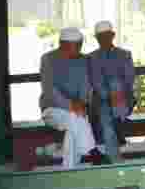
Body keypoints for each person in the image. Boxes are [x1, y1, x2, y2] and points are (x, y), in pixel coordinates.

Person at [39, 27, 111, 168]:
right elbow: (50, 91)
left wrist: (82, 104)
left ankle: (69, 169)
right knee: (75, 118)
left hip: (78, 112)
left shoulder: (84, 60)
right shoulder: (48, 59)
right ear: (62, 44)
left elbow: (86, 86)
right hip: (52, 110)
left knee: (74, 125)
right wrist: (71, 105)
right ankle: (92, 151)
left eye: (80, 45)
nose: (79, 48)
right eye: (75, 45)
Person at [87, 20, 137, 162]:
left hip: (124, 98)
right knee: (107, 120)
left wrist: (118, 94)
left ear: (113, 35)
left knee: (116, 84)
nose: (104, 39)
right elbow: (96, 81)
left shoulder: (125, 54)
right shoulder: (92, 57)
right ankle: (116, 160)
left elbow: (129, 79)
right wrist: (110, 96)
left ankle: (112, 159)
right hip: (103, 100)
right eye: (100, 36)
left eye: (107, 35)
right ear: (96, 38)